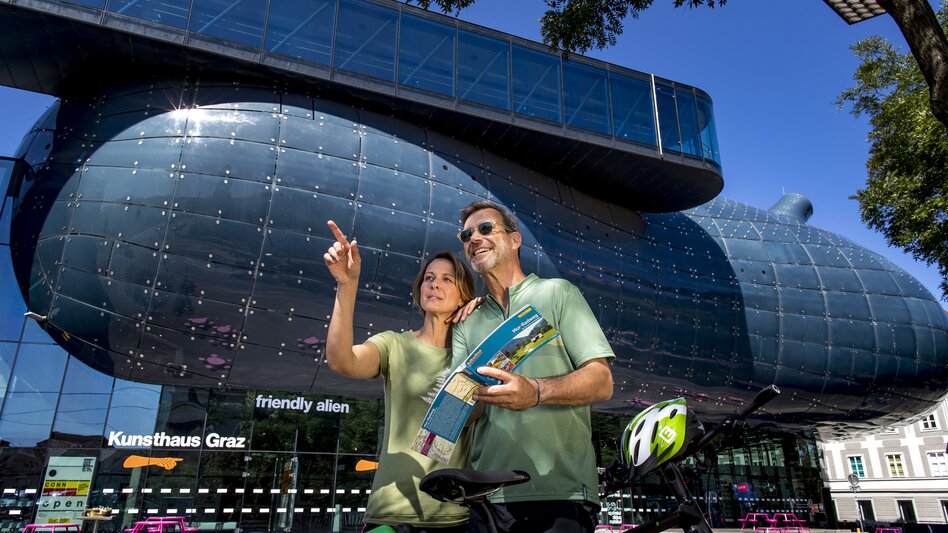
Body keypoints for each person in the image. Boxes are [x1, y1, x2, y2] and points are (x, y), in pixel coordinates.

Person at [450, 201, 615, 533]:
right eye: (466, 234)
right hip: (487, 499)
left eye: (485, 229)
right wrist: (453, 408)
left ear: (515, 240)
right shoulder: (467, 323)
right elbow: (465, 412)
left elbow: (602, 381)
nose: (474, 239)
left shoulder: (558, 293)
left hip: (561, 494)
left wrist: (536, 391)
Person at [322, 220, 477, 532]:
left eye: (447, 279)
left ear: (464, 297)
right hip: (391, 516)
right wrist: (347, 285)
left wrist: (485, 316)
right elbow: (342, 361)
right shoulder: (394, 344)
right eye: (429, 278)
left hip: (455, 519)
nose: (434, 284)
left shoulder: (475, 358)